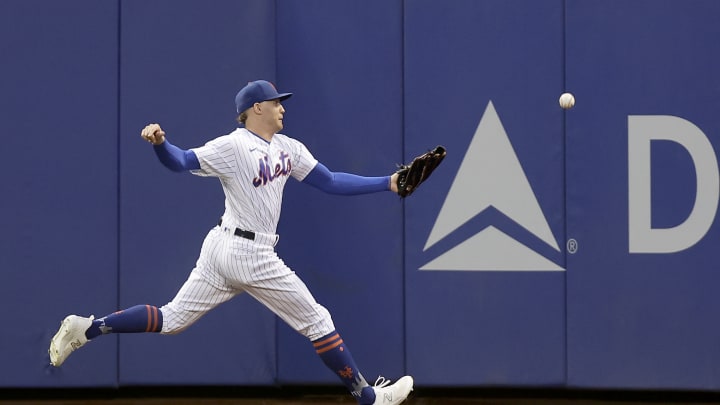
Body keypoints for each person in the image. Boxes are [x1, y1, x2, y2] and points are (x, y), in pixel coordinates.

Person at [49, 80, 413, 405]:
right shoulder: (234, 146)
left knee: (172, 318)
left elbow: (330, 180)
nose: (282, 108)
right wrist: (162, 144)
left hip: (223, 247)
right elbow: (182, 161)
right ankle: (368, 397)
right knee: (318, 321)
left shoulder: (289, 148)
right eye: (276, 103)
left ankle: (88, 327)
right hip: (248, 253)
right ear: (257, 108)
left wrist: (388, 182)